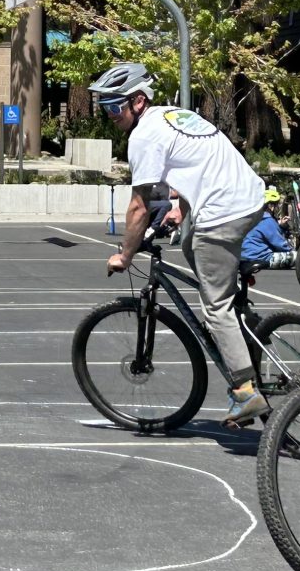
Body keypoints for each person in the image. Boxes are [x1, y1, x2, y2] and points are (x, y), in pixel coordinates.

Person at [91, 61, 273, 427]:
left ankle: (245, 391)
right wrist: (181, 209)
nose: (110, 115)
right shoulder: (174, 116)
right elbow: (198, 167)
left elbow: (139, 205)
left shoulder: (144, 136)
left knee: (214, 307)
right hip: (250, 198)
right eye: (105, 107)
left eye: (114, 106)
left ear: (138, 101)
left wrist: (125, 254)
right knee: (191, 246)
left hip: (224, 213)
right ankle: (243, 321)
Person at [241, 204, 296, 269]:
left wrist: (280, 225)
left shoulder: (250, 219)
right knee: (298, 257)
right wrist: (294, 251)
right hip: (260, 258)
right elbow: (281, 244)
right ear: (271, 207)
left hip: (244, 257)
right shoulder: (267, 220)